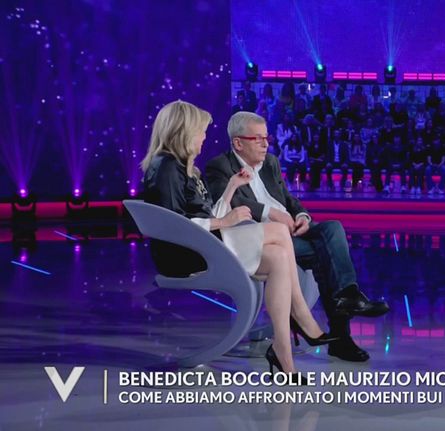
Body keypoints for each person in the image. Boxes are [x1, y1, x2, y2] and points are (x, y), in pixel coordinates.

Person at [140, 101, 336, 380]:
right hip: (187, 254)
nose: (204, 137)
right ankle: (303, 317)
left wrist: (231, 187)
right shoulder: (167, 168)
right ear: (183, 132)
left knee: (279, 257)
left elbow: (205, 214)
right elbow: (175, 226)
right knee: (280, 233)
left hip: (203, 244)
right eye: (200, 131)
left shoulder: (183, 167)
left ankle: (282, 352)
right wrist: (224, 222)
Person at [206, 111, 390, 362]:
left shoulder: (270, 162)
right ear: (238, 143)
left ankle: (347, 294)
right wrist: (271, 213)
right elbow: (230, 203)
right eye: (258, 138)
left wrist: (301, 215)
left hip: (289, 229)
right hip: (262, 238)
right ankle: (342, 334)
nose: (265, 144)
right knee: (326, 257)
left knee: (333, 228)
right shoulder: (220, 166)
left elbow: (288, 198)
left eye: (267, 138)